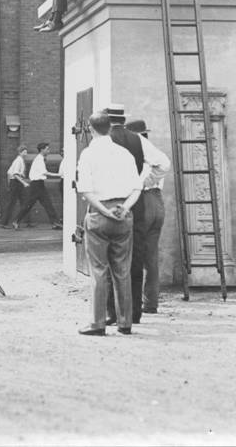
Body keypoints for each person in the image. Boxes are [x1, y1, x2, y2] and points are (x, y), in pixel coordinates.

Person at [75, 113, 143, 336]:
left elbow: (84, 189)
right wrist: (125, 208)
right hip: (123, 213)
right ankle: (125, 322)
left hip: (99, 213)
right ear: (110, 128)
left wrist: (103, 210)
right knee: (122, 270)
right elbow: (137, 187)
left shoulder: (88, 154)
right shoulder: (124, 154)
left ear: (91, 128)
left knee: (98, 271)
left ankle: (97, 322)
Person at [105, 103, 169, 325]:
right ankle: (137, 310)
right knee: (141, 256)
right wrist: (142, 182)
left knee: (111, 256)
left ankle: (113, 311)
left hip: (114, 201)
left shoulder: (102, 140)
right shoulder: (140, 141)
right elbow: (164, 164)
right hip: (142, 202)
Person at [125, 118, 170, 319]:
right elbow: (163, 166)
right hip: (157, 201)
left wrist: (141, 183)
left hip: (142, 201)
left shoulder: (136, 153)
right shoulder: (155, 153)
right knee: (151, 255)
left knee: (133, 253)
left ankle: (130, 302)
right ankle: (150, 302)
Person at [12, 142, 62, 229]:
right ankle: (16, 221)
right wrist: (59, 175)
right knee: (29, 205)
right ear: (42, 150)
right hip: (36, 185)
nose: (48, 151)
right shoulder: (39, 159)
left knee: (48, 204)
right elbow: (45, 172)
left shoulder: (40, 158)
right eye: (47, 149)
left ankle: (55, 223)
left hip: (39, 184)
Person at [0, 145, 31, 229]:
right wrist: (23, 183)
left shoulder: (19, 160)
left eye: (26, 151)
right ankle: (6, 223)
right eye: (24, 151)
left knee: (23, 202)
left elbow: (9, 172)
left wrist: (9, 183)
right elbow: (15, 174)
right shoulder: (18, 161)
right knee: (13, 203)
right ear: (20, 152)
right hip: (16, 183)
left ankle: (23, 221)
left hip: (15, 183)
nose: (26, 153)